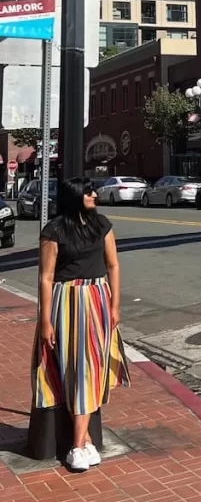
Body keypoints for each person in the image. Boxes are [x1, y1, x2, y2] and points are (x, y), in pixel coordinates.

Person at [34, 178, 130, 472]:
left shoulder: (101, 224)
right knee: (73, 370)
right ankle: (81, 443)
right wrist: (45, 320)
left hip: (98, 298)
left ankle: (79, 444)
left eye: (93, 190)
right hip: (67, 300)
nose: (94, 194)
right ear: (74, 196)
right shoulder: (54, 230)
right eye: (88, 191)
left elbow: (113, 265)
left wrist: (114, 305)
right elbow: (46, 277)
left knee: (92, 368)